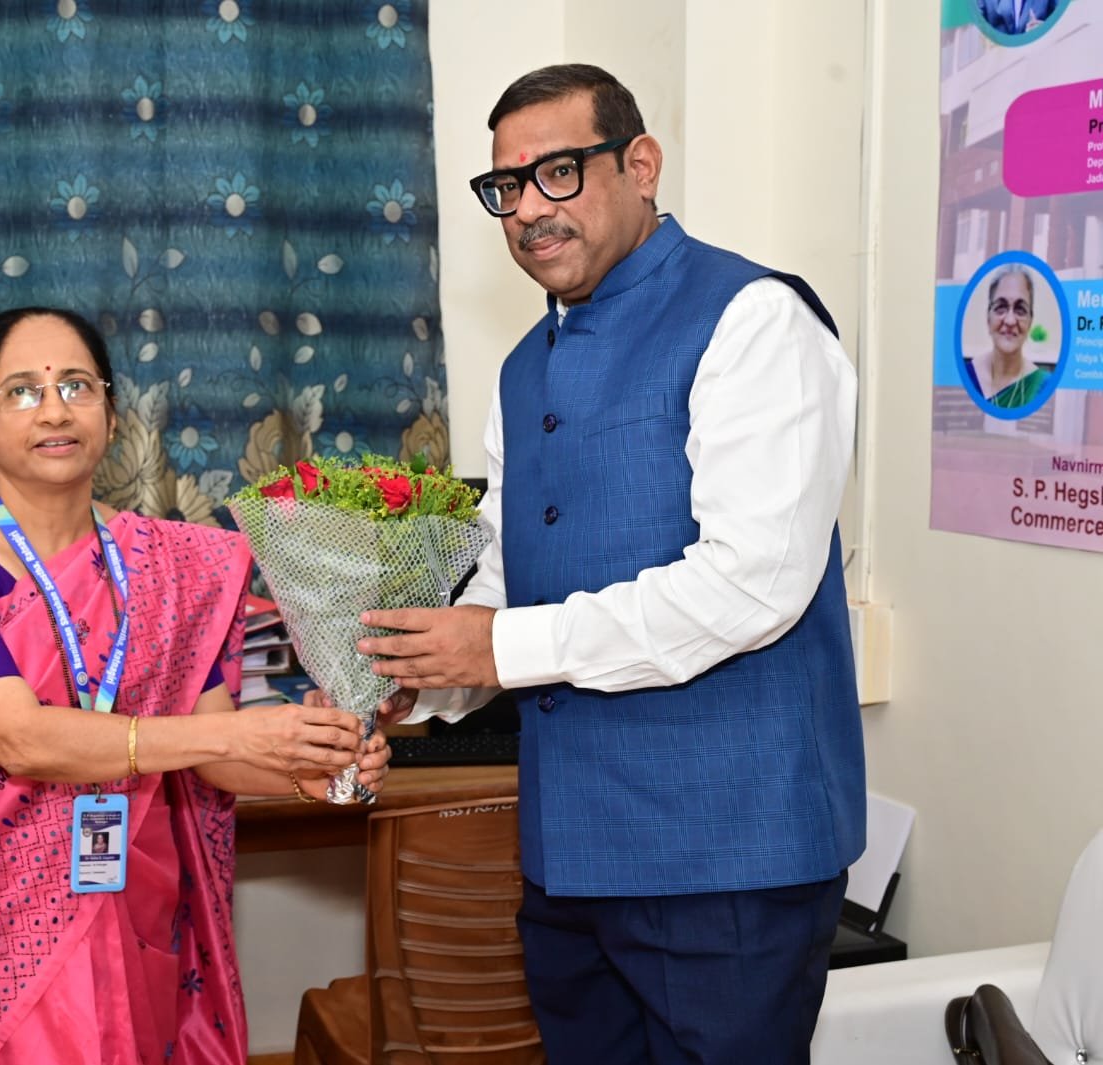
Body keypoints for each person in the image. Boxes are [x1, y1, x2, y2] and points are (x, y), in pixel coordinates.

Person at [357, 65, 864, 1064]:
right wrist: (424, 679)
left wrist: (498, 647)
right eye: (506, 186)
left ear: (640, 165)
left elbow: (752, 583)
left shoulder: (753, 318)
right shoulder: (523, 367)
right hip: (568, 861)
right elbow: (508, 572)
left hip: (728, 859)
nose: (526, 210)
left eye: (558, 173)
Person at [0, 306, 389, 1064]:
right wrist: (239, 733)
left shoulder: (166, 565)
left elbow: (213, 753)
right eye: (22, 391)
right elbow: (20, 737)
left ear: (112, 412)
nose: (55, 409)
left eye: (77, 386)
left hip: (122, 892)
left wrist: (309, 767)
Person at [965, 264, 1050, 410]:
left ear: (1030, 322)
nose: (1010, 321)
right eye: (1001, 307)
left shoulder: (1043, 386)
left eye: (1020, 309)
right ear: (988, 318)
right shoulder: (965, 377)